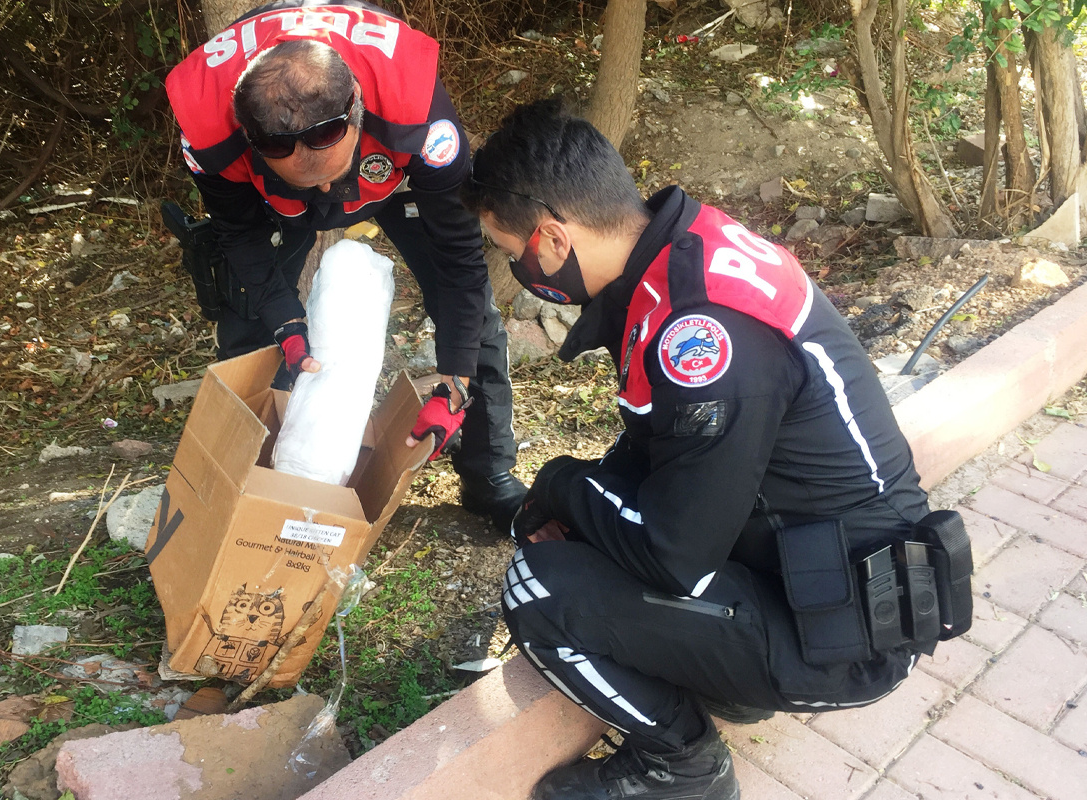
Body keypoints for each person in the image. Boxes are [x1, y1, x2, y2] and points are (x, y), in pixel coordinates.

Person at [461, 100, 972, 800]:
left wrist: (554, 487)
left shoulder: (702, 333)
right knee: (598, 526)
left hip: (847, 638)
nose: (515, 265)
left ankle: (682, 767)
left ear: (551, 238)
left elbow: (674, 555)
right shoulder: (682, 254)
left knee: (538, 587)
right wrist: (581, 504)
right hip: (811, 569)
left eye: (508, 249)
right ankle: (730, 674)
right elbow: (664, 451)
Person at [164, 0, 524, 527]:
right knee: (246, 318)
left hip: (391, 176)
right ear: (250, 141)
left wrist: (457, 377)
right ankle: (242, 472)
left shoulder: (419, 110)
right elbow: (239, 235)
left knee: (471, 318)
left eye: (334, 171)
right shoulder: (207, 130)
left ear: (357, 106)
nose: (329, 193)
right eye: (310, 180)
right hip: (273, 201)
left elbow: (460, 258)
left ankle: (489, 474)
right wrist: (285, 318)